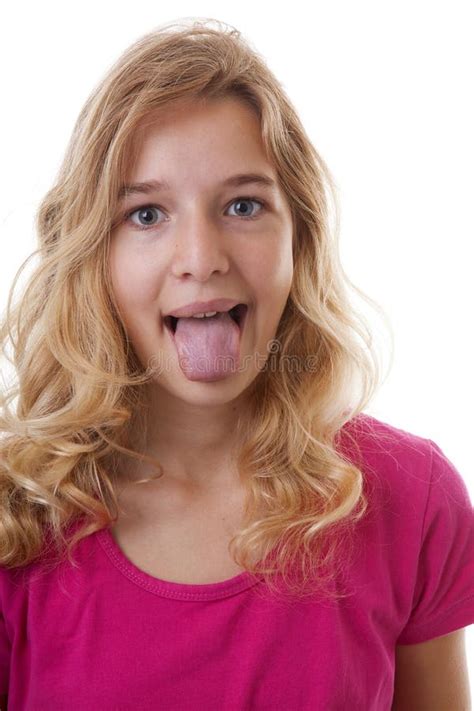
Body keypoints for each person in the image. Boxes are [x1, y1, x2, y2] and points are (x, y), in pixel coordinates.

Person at [0, 18, 472, 710]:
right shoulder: (18, 516)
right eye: (146, 215)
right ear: (92, 253)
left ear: (298, 241)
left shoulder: (410, 498)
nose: (202, 256)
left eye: (243, 205)